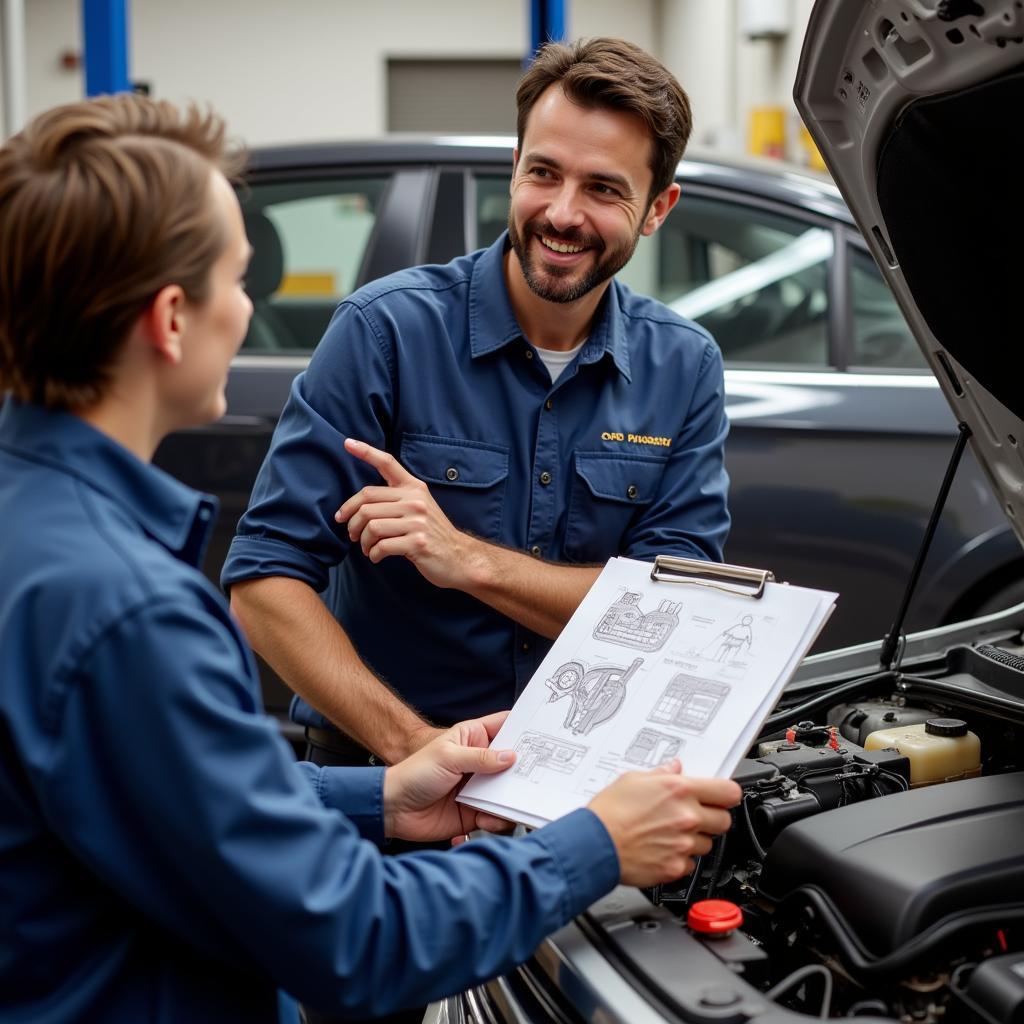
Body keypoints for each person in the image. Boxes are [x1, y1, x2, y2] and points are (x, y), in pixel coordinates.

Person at [0, 94, 741, 1024]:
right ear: (172, 321)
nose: (252, 308)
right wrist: (591, 843)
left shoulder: (37, 531)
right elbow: (355, 938)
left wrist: (384, 795)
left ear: (655, 206)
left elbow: (183, 790)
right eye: (240, 278)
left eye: (601, 187)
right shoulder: (129, 609)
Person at [224, 37, 731, 770]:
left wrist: (467, 560)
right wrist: (417, 750)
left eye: (604, 189)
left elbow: (677, 612)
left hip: (582, 788)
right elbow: (265, 580)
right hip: (384, 780)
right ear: (514, 167)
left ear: (658, 208)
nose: (562, 213)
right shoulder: (386, 331)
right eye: (544, 173)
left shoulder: (684, 367)